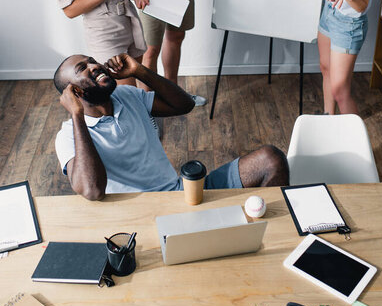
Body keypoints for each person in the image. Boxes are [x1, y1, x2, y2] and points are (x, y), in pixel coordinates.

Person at [53, 53, 289, 200]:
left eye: (92, 61)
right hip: (140, 215)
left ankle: (274, 238)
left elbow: (184, 105)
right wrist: (77, 115)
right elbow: (92, 190)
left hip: (180, 192)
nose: (93, 66)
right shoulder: (68, 137)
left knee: (271, 159)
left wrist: (139, 71)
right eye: (82, 69)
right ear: (74, 92)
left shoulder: (127, 95)